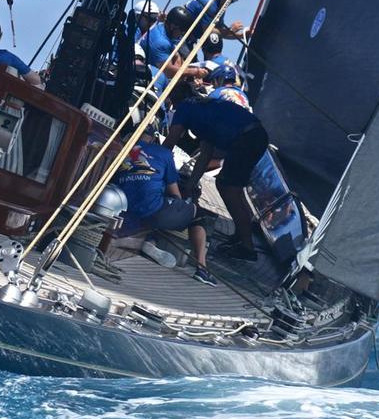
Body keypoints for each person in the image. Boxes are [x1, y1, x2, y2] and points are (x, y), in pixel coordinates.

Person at [163, 86, 269, 261]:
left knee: (227, 187)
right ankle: (243, 233)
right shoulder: (202, 107)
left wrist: (153, 165)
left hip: (246, 138)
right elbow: (205, 155)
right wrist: (189, 186)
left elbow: (169, 145)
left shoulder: (184, 108)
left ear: (173, 100)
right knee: (235, 187)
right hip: (256, 134)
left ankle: (247, 248)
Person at [114, 127, 217, 285]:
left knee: (154, 201)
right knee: (198, 214)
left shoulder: (119, 148)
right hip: (152, 210)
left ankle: (150, 239)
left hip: (121, 207)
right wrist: (182, 205)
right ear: (152, 138)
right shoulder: (163, 153)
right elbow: (175, 193)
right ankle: (202, 269)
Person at [141, 5, 193, 72]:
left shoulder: (161, 28)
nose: (181, 35)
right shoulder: (161, 42)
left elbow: (176, 55)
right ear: (173, 27)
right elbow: (168, 71)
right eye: (182, 31)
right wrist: (194, 72)